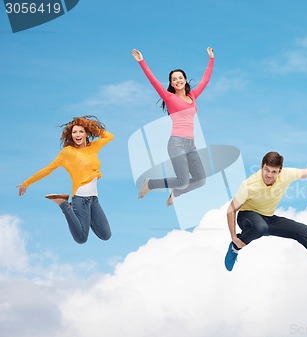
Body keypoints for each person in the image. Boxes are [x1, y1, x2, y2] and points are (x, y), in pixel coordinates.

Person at [224, 151, 307, 277]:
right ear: (261, 166)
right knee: (260, 227)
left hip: (268, 218)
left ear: (280, 171)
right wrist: (234, 237)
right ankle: (235, 247)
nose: (269, 175)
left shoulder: (286, 175)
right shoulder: (248, 185)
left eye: (274, 171)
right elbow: (231, 210)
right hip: (247, 216)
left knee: (303, 230)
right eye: (266, 170)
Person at [132, 47, 214, 206]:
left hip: (191, 144)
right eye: (174, 79)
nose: (178, 80)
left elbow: (206, 80)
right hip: (176, 143)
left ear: (185, 79)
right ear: (171, 83)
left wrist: (211, 59)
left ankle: (176, 192)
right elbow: (153, 81)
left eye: (180, 77)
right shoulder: (169, 97)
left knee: (201, 180)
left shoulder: (193, 96)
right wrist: (141, 61)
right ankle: (150, 184)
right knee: (183, 181)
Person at [17, 116, 113, 244]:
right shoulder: (68, 152)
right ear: (70, 135)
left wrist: (90, 126)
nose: (77, 135)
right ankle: (63, 204)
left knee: (106, 235)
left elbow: (109, 136)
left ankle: (78, 215)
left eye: (80, 131)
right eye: (74, 132)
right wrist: (26, 183)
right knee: (81, 238)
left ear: (86, 133)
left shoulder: (93, 147)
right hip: (80, 198)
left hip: (94, 199)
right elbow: (48, 169)